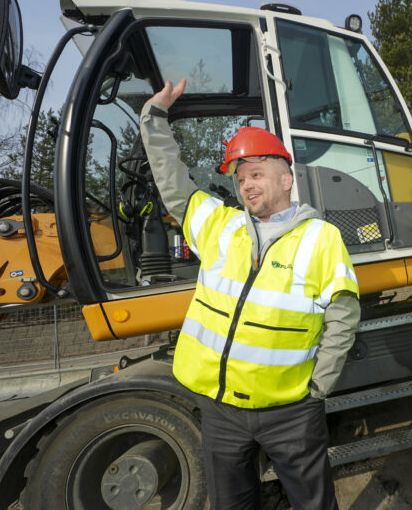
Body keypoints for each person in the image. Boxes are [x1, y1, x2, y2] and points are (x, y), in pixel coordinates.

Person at [139, 79, 360, 510]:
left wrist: (318, 388)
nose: (247, 186)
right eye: (241, 179)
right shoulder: (221, 226)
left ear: (285, 177)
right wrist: (154, 119)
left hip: (290, 412)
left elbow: (344, 316)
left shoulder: (321, 237)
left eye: (256, 174)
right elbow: (174, 183)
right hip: (220, 411)